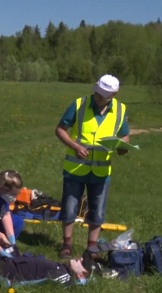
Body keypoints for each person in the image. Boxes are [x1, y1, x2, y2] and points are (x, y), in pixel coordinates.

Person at [55, 74, 130, 258]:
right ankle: (67, 244)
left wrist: (122, 146)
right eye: (97, 93)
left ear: (114, 94)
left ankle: (92, 247)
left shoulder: (120, 110)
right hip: (75, 169)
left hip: (101, 172)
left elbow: (125, 135)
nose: (98, 98)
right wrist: (75, 146)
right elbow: (60, 129)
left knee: (98, 210)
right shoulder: (79, 104)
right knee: (69, 207)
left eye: (103, 95)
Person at [0, 244, 94, 286]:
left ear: (81, 274)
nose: (79, 259)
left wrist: (11, 284)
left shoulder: (63, 276)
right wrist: (8, 246)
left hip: (4, 271)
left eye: (82, 263)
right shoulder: (60, 267)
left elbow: (39, 283)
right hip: (5, 262)